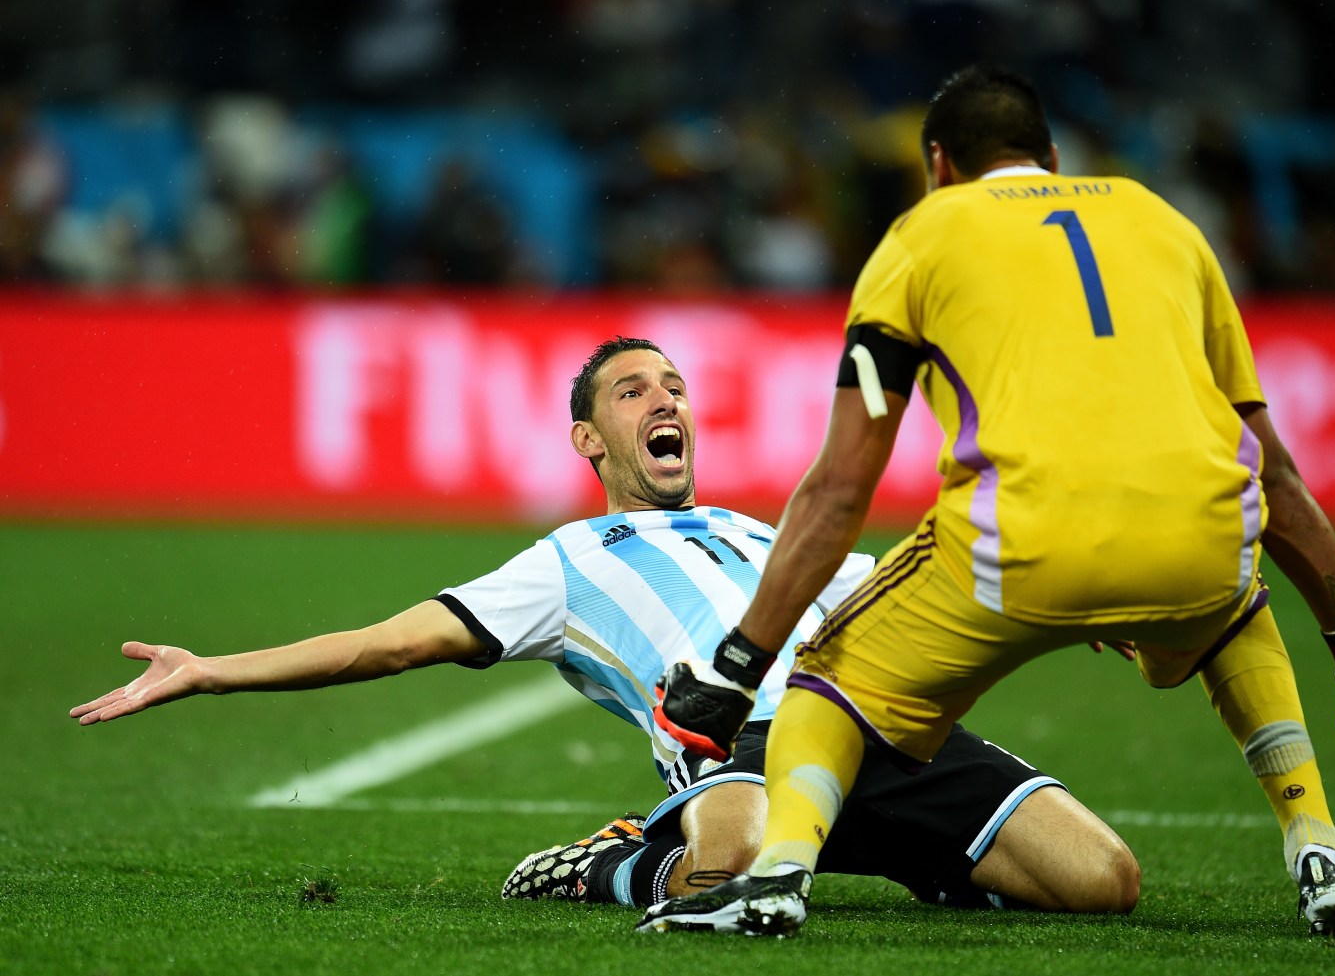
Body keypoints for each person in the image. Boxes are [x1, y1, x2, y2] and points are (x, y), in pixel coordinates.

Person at [643, 65, 1335, 939]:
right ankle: (1320, 850)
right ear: (1052, 156)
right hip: (1199, 536)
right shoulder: (1166, 224)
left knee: (827, 678)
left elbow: (838, 488)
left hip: (1017, 545)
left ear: (938, 164)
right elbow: (1275, 474)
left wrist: (739, 666)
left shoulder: (924, 232)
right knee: (1238, 614)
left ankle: (778, 879)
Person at [70, 336, 1140, 916]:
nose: (663, 399)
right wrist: (211, 670)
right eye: (633, 390)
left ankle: (878, 843)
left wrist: (1073, 602)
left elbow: (921, 578)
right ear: (590, 433)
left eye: (673, 385)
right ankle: (621, 861)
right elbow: (389, 641)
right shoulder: (565, 563)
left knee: (1105, 882)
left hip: (877, 724)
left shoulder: (767, 531)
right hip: (740, 744)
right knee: (723, 869)